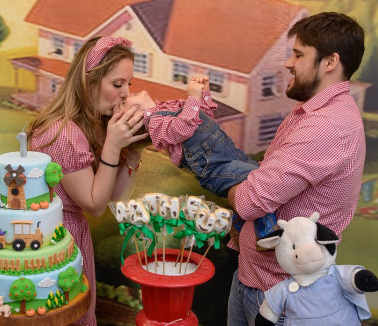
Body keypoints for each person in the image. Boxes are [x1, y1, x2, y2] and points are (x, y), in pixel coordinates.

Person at [223, 12, 367, 326]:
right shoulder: (312, 112)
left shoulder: (326, 127)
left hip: (281, 296)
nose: (289, 63)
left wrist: (223, 178)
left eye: (299, 54)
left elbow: (249, 200)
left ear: (330, 62)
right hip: (254, 275)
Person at [26, 36, 148, 326]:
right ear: (88, 82)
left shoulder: (89, 126)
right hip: (55, 239)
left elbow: (114, 197)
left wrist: (133, 150)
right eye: (117, 84)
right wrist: (113, 147)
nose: (125, 93)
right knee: (64, 324)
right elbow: (94, 204)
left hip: (71, 233)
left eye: (128, 84)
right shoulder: (63, 134)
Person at [117, 76, 277, 239]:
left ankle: (243, 224)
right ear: (133, 116)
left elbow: (203, 116)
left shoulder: (167, 107)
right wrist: (193, 98)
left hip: (228, 152)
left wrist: (204, 94)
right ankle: (266, 232)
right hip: (213, 167)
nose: (127, 93)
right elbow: (182, 128)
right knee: (259, 179)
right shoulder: (155, 123)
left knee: (259, 175)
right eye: (123, 103)